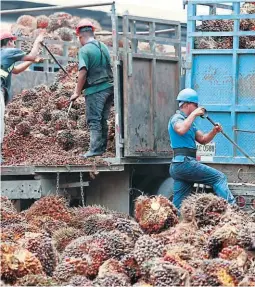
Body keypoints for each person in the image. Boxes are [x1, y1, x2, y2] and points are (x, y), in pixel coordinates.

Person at [168, 88, 235, 209]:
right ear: (187, 104)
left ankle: (173, 222)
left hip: (180, 166)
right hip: (184, 163)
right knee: (219, 177)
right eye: (195, 105)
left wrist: (214, 131)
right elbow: (181, 130)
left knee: (178, 205)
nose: (197, 108)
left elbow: (203, 139)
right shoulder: (176, 118)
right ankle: (232, 210)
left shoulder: (190, 123)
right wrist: (194, 114)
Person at [70, 19, 114, 158]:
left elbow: (82, 71)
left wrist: (77, 92)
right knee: (102, 119)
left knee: (94, 119)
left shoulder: (84, 50)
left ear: (80, 36)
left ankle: (94, 150)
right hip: (109, 88)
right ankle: (101, 148)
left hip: (95, 90)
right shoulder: (103, 47)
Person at [0, 31, 44, 162]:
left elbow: (17, 70)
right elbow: (31, 55)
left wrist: (33, 61)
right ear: (9, 42)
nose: (14, 44)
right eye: (13, 42)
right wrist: (37, 41)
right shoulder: (8, 52)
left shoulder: (4, 57)